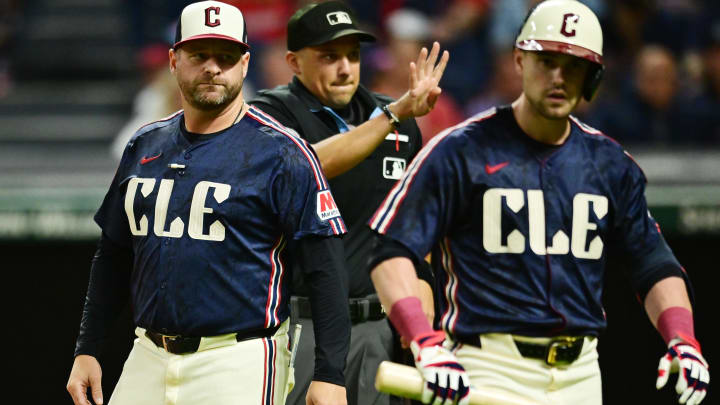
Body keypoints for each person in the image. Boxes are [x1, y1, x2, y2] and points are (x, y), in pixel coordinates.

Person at [367, 1, 710, 405]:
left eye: (575, 66)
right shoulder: (459, 150)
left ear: (594, 77)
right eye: (547, 61)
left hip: (582, 374)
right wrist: (424, 340)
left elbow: (654, 264)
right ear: (518, 59)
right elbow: (391, 251)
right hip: (488, 368)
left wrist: (683, 338)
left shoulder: (611, 164)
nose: (559, 77)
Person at [66, 2, 351, 405]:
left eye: (226, 57)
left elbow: (326, 270)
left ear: (245, 63)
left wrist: (330, 374)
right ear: (173, 60)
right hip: (147, 352)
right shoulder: (144, 144)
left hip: (238, 357)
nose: (213, 68)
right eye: (199, 55)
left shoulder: (282, 152)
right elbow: (113, 253)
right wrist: (88, 347)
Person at [249, 2, 448, 404]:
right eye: (329, 56)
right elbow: (306, 166)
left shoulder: (399, 124)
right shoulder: (269, 116)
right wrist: (391, 116)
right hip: (302, 327)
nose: (345, 68)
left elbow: (412, 229)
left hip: (379, 327)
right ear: (294, 61)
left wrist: (423, 302)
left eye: (352, 55)